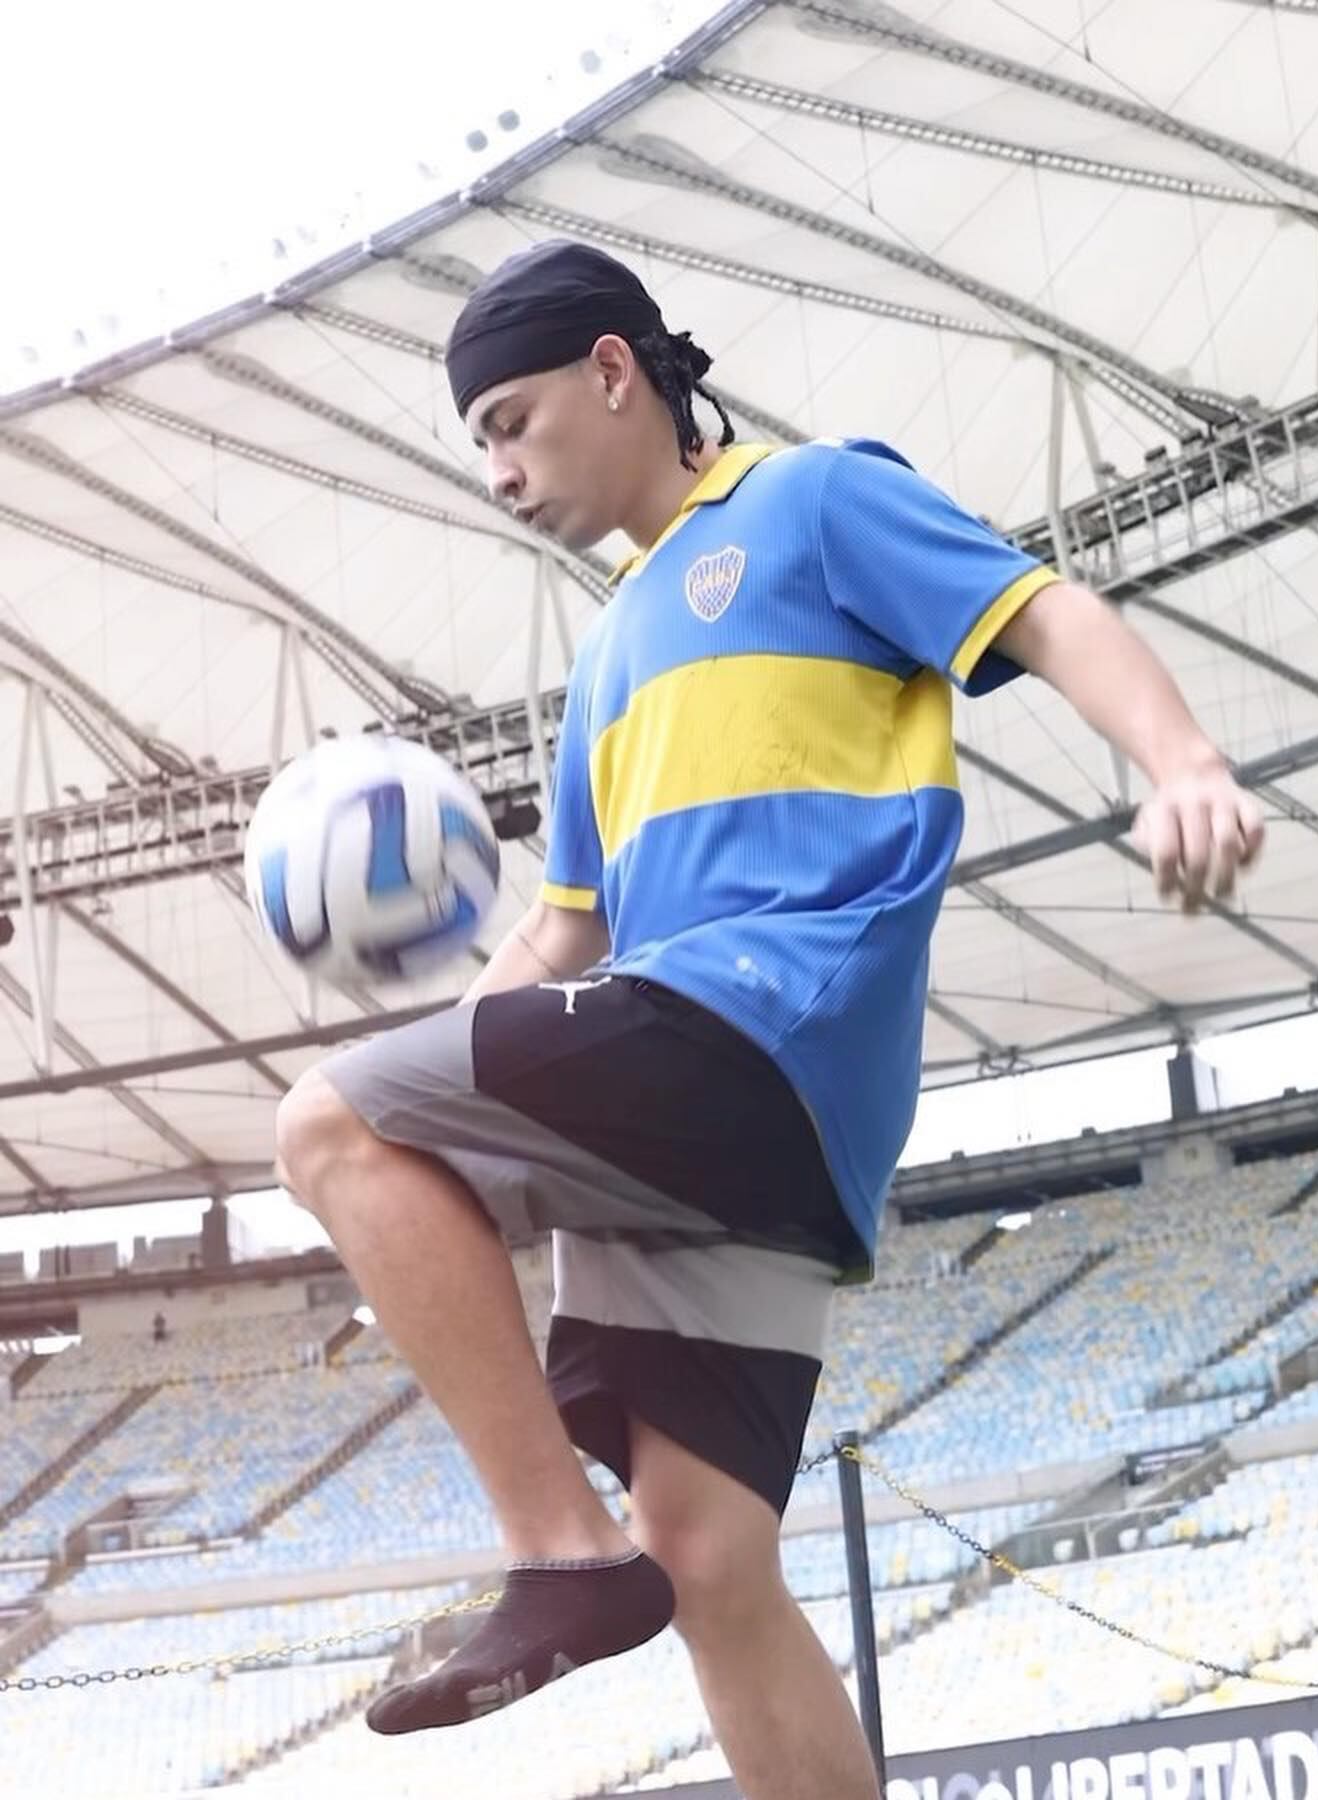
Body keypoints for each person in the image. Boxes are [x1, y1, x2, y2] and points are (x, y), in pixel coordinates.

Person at [275, 241, 1264, 1799]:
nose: (498, 470)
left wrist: (1184, 759)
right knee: (713, 1564)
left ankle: (553, 1554)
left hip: (758, 1028)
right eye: (479, 442)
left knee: (318, 1119)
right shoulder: (602, 661)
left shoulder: (811, 502)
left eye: (513, 421)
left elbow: (1050, 613)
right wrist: (422, 1167)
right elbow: (558, 936)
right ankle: (602, 1561)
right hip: (761, 1139)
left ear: (615, 371)